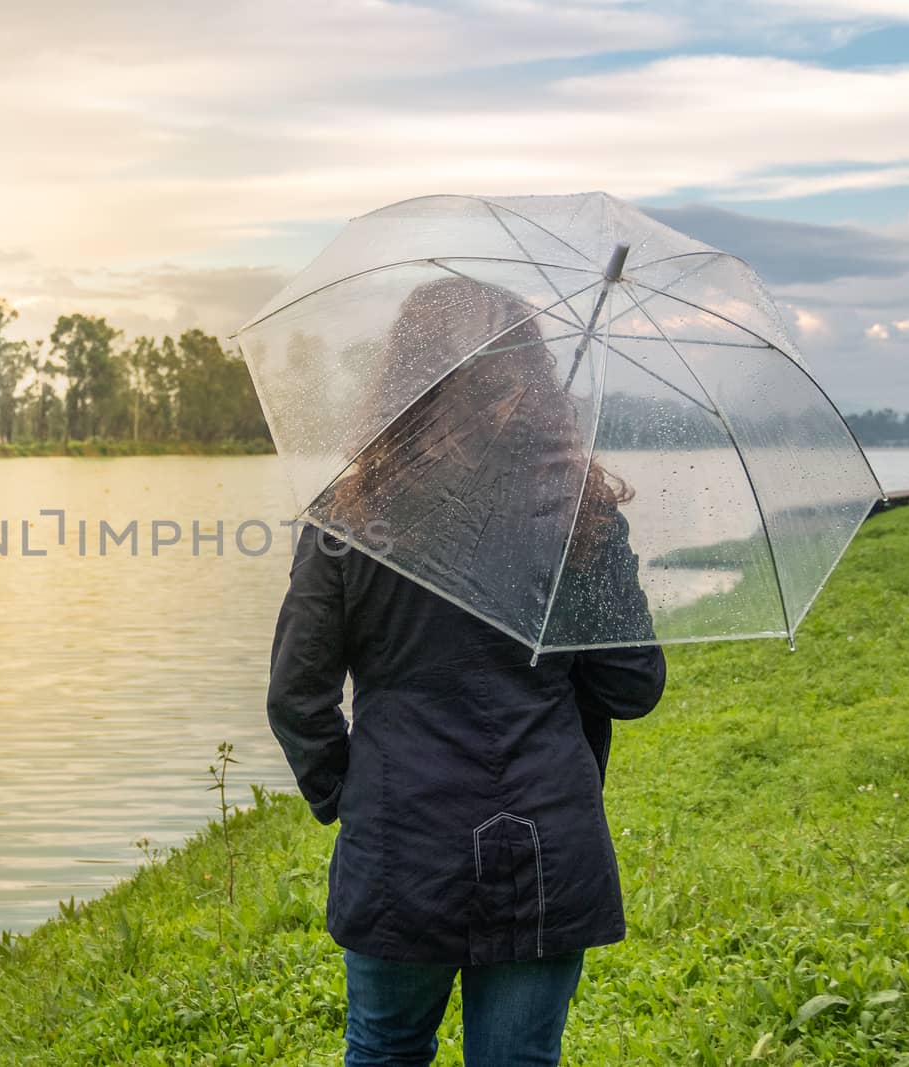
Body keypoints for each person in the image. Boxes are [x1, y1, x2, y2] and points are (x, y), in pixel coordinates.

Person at [267, 276, 667, 1066]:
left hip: (396, 838)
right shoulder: (575, 508)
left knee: (384, 1048)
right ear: (531, 373)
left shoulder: (347, 519)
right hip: (545, 833)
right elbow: (632, 684)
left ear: (401, 381)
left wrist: (350, 794)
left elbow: (296, 697)